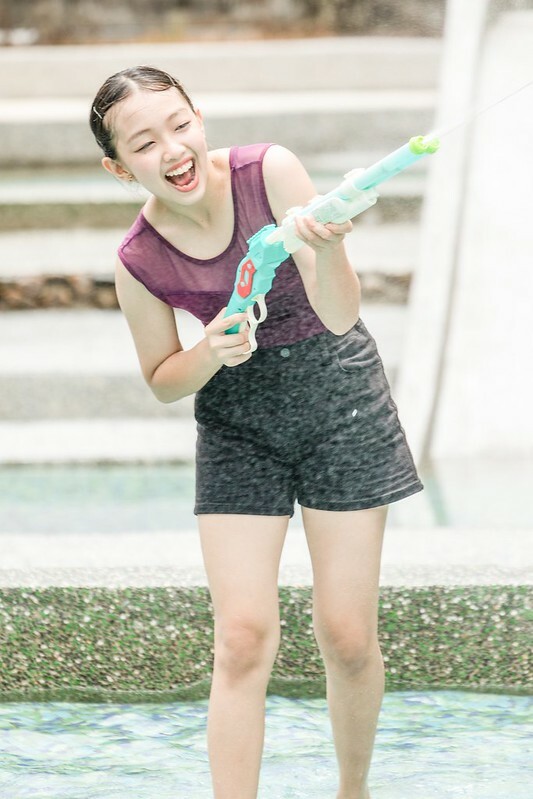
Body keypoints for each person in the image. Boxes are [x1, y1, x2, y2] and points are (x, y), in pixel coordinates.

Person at [90, 65, 423, 799]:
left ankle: (354, 790)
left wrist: (326, 247)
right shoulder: (138, 260)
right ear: (119, 168)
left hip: (340, 404)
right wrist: (211, 349)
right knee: (241, 639)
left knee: (347, 635)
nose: (172, 149)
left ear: (199, 117)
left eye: (180, 124)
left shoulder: (268, 172)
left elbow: (340, 315)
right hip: (238, 424)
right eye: (143, 144)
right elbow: (163, 379)